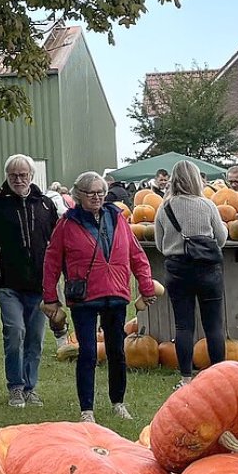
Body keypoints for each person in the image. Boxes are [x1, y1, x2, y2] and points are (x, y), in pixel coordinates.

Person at [43, 171, 157, 423]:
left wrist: (146, 286)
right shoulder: (67, 223)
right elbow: (51, 262)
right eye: (91, 193)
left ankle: (118, 402)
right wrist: (50, 298)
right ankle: (87, 410)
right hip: (84, 296)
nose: (97, 197)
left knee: (117, 351)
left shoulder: (116, 217)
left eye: (101, 193)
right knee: (88, 353)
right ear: (78, 195)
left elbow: (136, 254)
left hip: (116, 294)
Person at [0, 154, 59, 409]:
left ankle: (30, 387)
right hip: (6, 281)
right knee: (15, 332)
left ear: (31, 176)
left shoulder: (45, 205)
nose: (18, 180)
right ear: (7, 176)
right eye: (13, 176)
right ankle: (16, 387)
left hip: (40, 283)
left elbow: (56, 242)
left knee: (35, 337)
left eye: (23, 175)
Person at [154, 161, 228, 385]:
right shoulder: (207, 205)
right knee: (213, 325)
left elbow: (159, 244)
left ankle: (186, 377)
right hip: (207, 268)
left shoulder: (164, 208)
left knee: (183, 325)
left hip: (177, 269)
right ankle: (219, 377)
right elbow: (221, 238)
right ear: (197, 179)